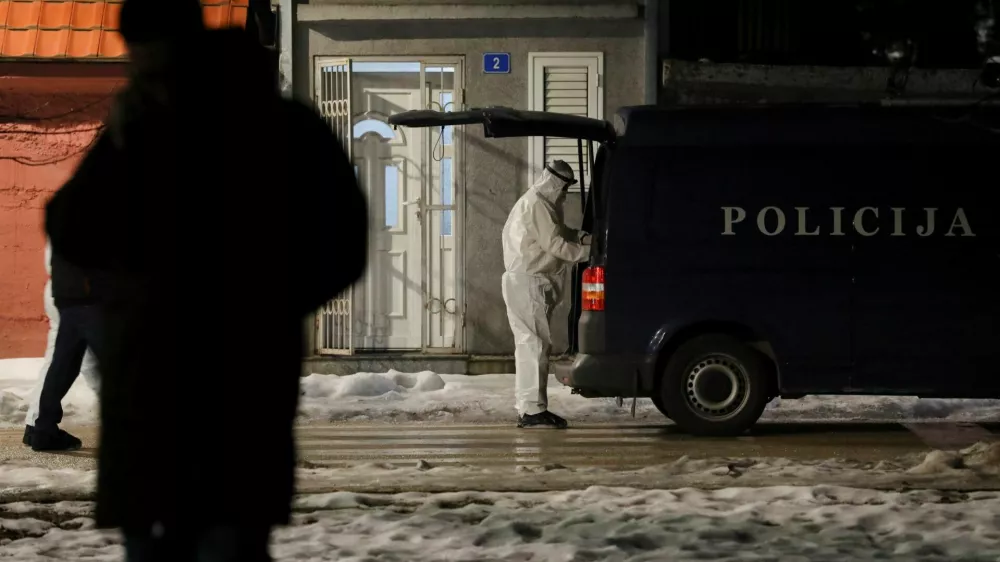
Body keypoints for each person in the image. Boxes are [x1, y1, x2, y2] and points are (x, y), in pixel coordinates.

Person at [44, 0, 367, 560]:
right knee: (226, 533)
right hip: (235, 374)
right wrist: (272, 308)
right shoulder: (285, 124)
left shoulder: (147, 126)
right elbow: (343, 243)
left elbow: (72, 229)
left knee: (184, 539)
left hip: (163, 370)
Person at [501, 160, 591, 429]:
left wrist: (584, 236)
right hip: (530, 283)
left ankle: (528, 406)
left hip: (524, 281)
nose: (565, 195)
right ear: (555, 184)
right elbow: (556, 245)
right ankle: (532, 410)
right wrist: (590, 253)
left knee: (530, 345)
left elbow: (559, 233)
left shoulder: (537, 203)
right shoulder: (538, 205)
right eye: (564, 190)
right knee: (535, 345)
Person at [23, 240, 101, 449]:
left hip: (62, 290)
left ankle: (38, 426)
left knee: (59, 361)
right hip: (88, 293)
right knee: (97, 363)